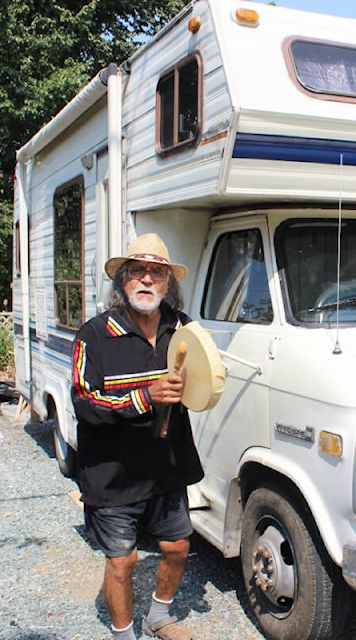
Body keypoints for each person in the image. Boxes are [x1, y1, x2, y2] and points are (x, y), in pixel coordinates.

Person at [71, 233, 203, 640]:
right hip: (112, 473)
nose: (147, 280)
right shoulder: (94, 335)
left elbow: (205, 373)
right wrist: (145, 396)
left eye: (157, 273)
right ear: (123, 281)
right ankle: (123, 632)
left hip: (166, 466)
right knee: (122, 562)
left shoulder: (181, 328)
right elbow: (84, 401)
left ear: (168, 283)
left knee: (178, 547)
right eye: (138, 271)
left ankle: (158, 617)